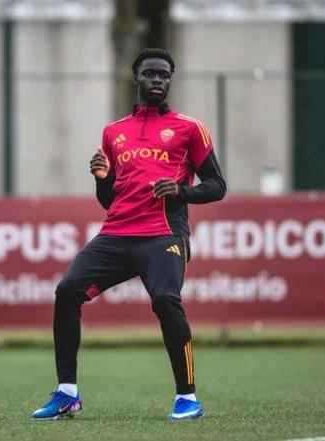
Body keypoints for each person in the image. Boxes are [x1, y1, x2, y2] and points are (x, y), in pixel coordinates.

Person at [30, 48, 226, 421]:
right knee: (67, 291)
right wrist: (102, 179)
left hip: (163, 234)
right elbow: (109, 200)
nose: (158, 79)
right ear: (136, 78)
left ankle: (187, 398)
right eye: (151, 73)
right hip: (117, 233)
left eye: (164, 75)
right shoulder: (113, 132)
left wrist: (181, 191)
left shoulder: (190, 128)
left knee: (165, 300)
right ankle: (67, 394)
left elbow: (217, 186)